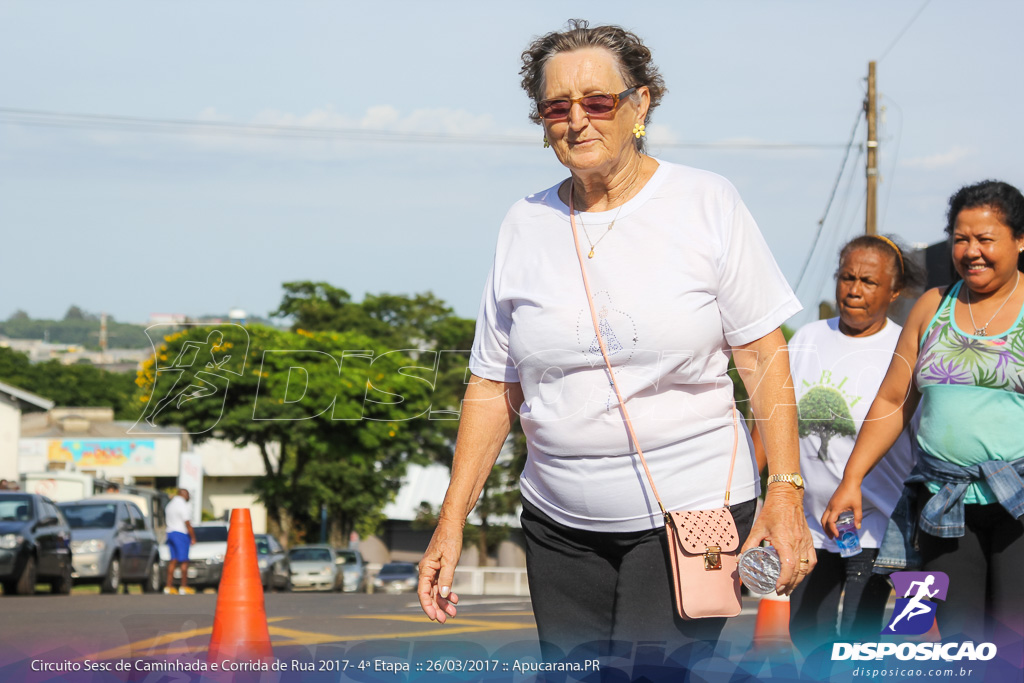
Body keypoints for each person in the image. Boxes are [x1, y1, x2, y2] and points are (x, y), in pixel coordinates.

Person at [418, 20, 815, 664]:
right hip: (558, 524)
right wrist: (450, 521)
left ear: (640, 105)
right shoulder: (525, 222)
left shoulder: (705, 201)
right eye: (556, 107)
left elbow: (763, 355)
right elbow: (493, 385)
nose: (577, 121)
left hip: (694, 512)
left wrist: (786, 495)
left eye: (598, 102)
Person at [824, 180, 1024, 647]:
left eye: (985, 239)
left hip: (1018, 504)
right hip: (944, 503)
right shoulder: (933, 306)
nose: (971, 251)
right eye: (960, 238)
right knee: (962, 646)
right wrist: (851, 480)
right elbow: (894, 400)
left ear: (1019, 240)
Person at [787, 235, 924, 654]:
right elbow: (776, 424)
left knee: (857, 636)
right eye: (846, 277)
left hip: (876, 526)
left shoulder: (904, 349)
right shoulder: (807, 339)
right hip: (811, 525)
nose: (854, 290)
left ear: (894, 291)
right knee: (807, 631)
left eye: (868, 281)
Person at [164, 488, 196, 595]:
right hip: (180, 533)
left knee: (173, 560)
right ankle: (183, 587)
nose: (189, 497)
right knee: (184, 561)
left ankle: (168, 587)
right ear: (183, 494)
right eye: (188, 495)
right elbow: (187, 523)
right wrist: (193, 537)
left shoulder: (170, 505)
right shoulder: (182, 505)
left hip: (170, 532)